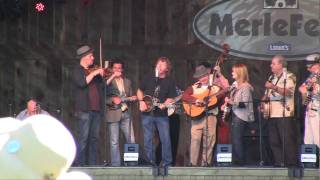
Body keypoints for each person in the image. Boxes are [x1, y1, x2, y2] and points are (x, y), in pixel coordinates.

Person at [182, 64, 229, 166]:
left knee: (210, 139)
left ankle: (206, 162)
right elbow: (184, 96)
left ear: (208, 75)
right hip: (196, 117)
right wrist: (195, 100)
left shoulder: (215, 88)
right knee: (195, 140)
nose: (202, 78)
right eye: (199, 77)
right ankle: (192, 163)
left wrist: (223, 93)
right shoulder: (194, 87)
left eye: (204, 76)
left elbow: (224, 92)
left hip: (211, 116)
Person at [137, 57, 177, 167]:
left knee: (165, 139)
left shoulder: (170, 81)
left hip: (161, 115)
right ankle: (150, 162)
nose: (159, 66)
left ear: (167, 68)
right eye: (158, 64)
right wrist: (141, 101)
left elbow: (171, 97)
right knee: (148, 139)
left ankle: (166, 163)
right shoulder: (149, 77)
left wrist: (165, 104)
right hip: (147, 113)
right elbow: (139, 90)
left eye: (162, 65)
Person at [72, 45, 104, 166]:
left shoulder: (93, 71)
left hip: (96, 110)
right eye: (91, 56)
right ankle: (81, 164)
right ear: (84, 57)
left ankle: (92, 164)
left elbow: (103, 84)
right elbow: (82, 83)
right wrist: (95, 72)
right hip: (84, 110)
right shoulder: (77, 70)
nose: (93, 58)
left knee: (94, 139)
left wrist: (105, 74)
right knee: (83, 138)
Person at [262, 55, 297, 167]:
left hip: (284, 113)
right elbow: (267, 94)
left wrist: (273, 87)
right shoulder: (271, 77)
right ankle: (279, 163)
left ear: (281, 64)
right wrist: (263, 102)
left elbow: (289, 92)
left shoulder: (289, 76)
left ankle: (291, 163)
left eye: (273, 63)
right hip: (271, 113)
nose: (270, 65)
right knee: (274, 141)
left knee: (287, 140)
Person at [105, 59, 137, 166]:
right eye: (115, 68)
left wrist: (132, 98)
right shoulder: (108, 81)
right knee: (114, 142)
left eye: (119, 68)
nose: (117, 70)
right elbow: (104, 95)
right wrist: (112, 100)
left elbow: (130, 96)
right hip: (113, 112)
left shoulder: (127, 81)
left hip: (126, 112)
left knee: (131, 140)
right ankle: (116, 166)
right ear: (111, 69)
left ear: (122, 69)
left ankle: (131, 164)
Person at [221, 64, 254, 165]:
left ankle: (240, 161)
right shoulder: (235, 87)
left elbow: (244, 103)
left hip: (241, 116)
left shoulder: (245, 87)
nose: (232, 73)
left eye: (233, 71)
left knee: (237, 138)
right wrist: (226, 105)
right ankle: (235, 160)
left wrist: (231, 102)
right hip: (235, 115)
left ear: (239, 73)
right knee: (233, 138)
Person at [298, 54, 320, 149]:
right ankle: (310, 162)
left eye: (310, 67)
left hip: (317, 111)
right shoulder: (313, 76)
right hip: (310, 110)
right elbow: (302, 88)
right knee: (308, 139)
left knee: (317, 138)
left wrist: (307, 92)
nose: (308, 69)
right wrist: (306, 94)